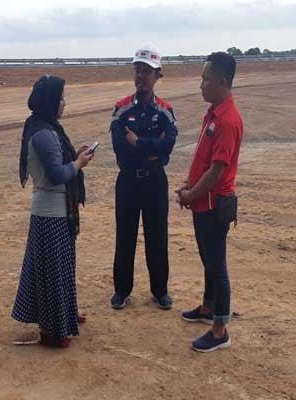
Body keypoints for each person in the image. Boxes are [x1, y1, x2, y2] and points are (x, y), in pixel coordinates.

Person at [13, 74, 94, 348]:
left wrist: (75, 157)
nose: (64, 104)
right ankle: (52, 331)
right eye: (61, 99)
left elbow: (58, 165)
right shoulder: (45, 133)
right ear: (50, 102)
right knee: (53, 272)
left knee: (60, 269)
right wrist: (79, 163)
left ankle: (64, 315)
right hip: (51, 213)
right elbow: (58, 174)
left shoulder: (44, 127)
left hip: (56, 211)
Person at [176, 52, 244, 352]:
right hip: (203, 201)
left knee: (218, 267)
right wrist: (190, 185)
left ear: (222, 82)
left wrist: (192, 194)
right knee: (208, 261)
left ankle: (219, 330)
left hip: (215, 204)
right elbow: (205, 161)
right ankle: (207, 308)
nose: (200, 84)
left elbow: (217, 171)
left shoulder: (228, 120)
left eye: (205, 79)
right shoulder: (213, 113)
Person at [110, 43, 178, 310]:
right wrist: (152, 148)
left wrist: (138, 143)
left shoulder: (166, 110)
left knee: (157, 237)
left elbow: (168, 147)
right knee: (124, 236)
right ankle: (121, 290)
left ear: (157, 75)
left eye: (146, 71)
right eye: (137, 69)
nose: (140, 76)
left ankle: (160, 290)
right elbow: (119, 148)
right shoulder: (120, 108)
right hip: (127, 180)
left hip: (154, 181)